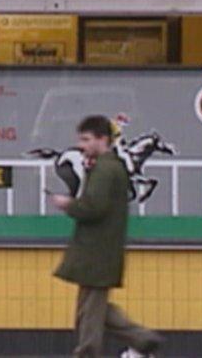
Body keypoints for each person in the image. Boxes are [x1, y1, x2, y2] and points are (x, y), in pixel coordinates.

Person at [49, 115, 165, 358]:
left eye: (86, 139)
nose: (81, 144)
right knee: (92, 307)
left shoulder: (105, 168)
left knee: (90, 310)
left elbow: (94, 207)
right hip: (101, 249)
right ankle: (142, 338)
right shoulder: (108, 166)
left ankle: (88, 352)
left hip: (97, 250)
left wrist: (68, 204)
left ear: (102, 139)